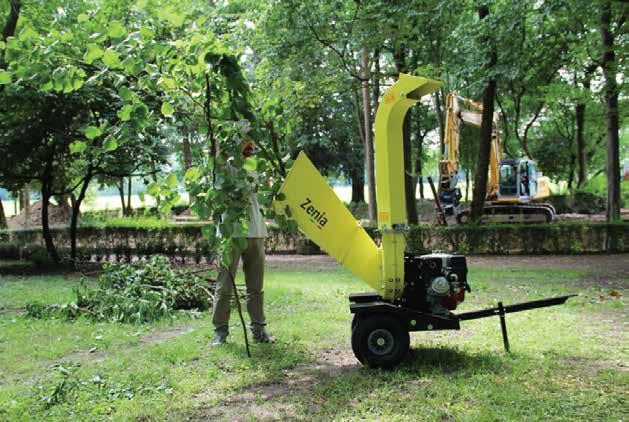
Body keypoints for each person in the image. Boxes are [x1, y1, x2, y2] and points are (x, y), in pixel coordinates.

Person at [211, 141, 275, 345]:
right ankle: (220, 331)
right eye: (245, 141)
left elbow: (265, 193)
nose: (250, 146)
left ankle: (259, 330)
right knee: (225, 285)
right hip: (231, 233)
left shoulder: (257, 166)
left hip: (256, 230)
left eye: (252, 143)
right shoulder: (225, 165)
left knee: (256, 287)